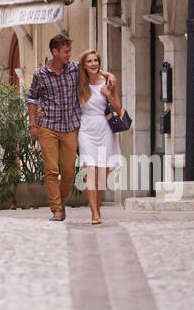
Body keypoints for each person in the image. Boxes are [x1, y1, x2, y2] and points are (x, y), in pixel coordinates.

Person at [27, 34, 80, 222]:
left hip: (70, 126)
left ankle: (61, 201)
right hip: (48, 126)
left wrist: (108, 76)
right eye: (66, 51)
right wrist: (33, 124)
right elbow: (32, 99)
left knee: (69, 172)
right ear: (55, 52)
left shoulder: (75, 69)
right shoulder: (40, 75)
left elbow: (95, 71)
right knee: (51, 171)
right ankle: (56, 210)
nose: (69, 54)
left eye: (69, 51)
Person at [77, 50, 124, 225]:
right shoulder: (78, 83)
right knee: (91, 170)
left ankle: (95, 208)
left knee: (103, 173)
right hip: (85, 130)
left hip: (105, 128)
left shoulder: (108, 82)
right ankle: (95, 213)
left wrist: (109, 95)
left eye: (95, 60)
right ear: (84, 65)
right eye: (89, 61)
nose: (93, 64)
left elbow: (118, 108)